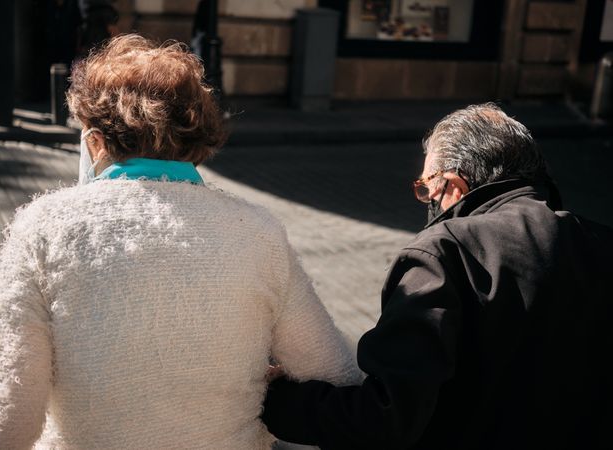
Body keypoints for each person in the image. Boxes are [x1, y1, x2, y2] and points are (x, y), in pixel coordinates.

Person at [0, 34, 360, 449]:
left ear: (94, 141)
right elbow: (332, 373)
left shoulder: (43, 227)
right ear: (196, 137)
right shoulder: (258, 230)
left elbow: (7, 417)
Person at [262, 103, 613, 449]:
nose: (427, 203)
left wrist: (277, 400)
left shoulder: (444, 253)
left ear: (453, 186)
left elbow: (386, 420)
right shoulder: (600, 242)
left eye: (426, 190)